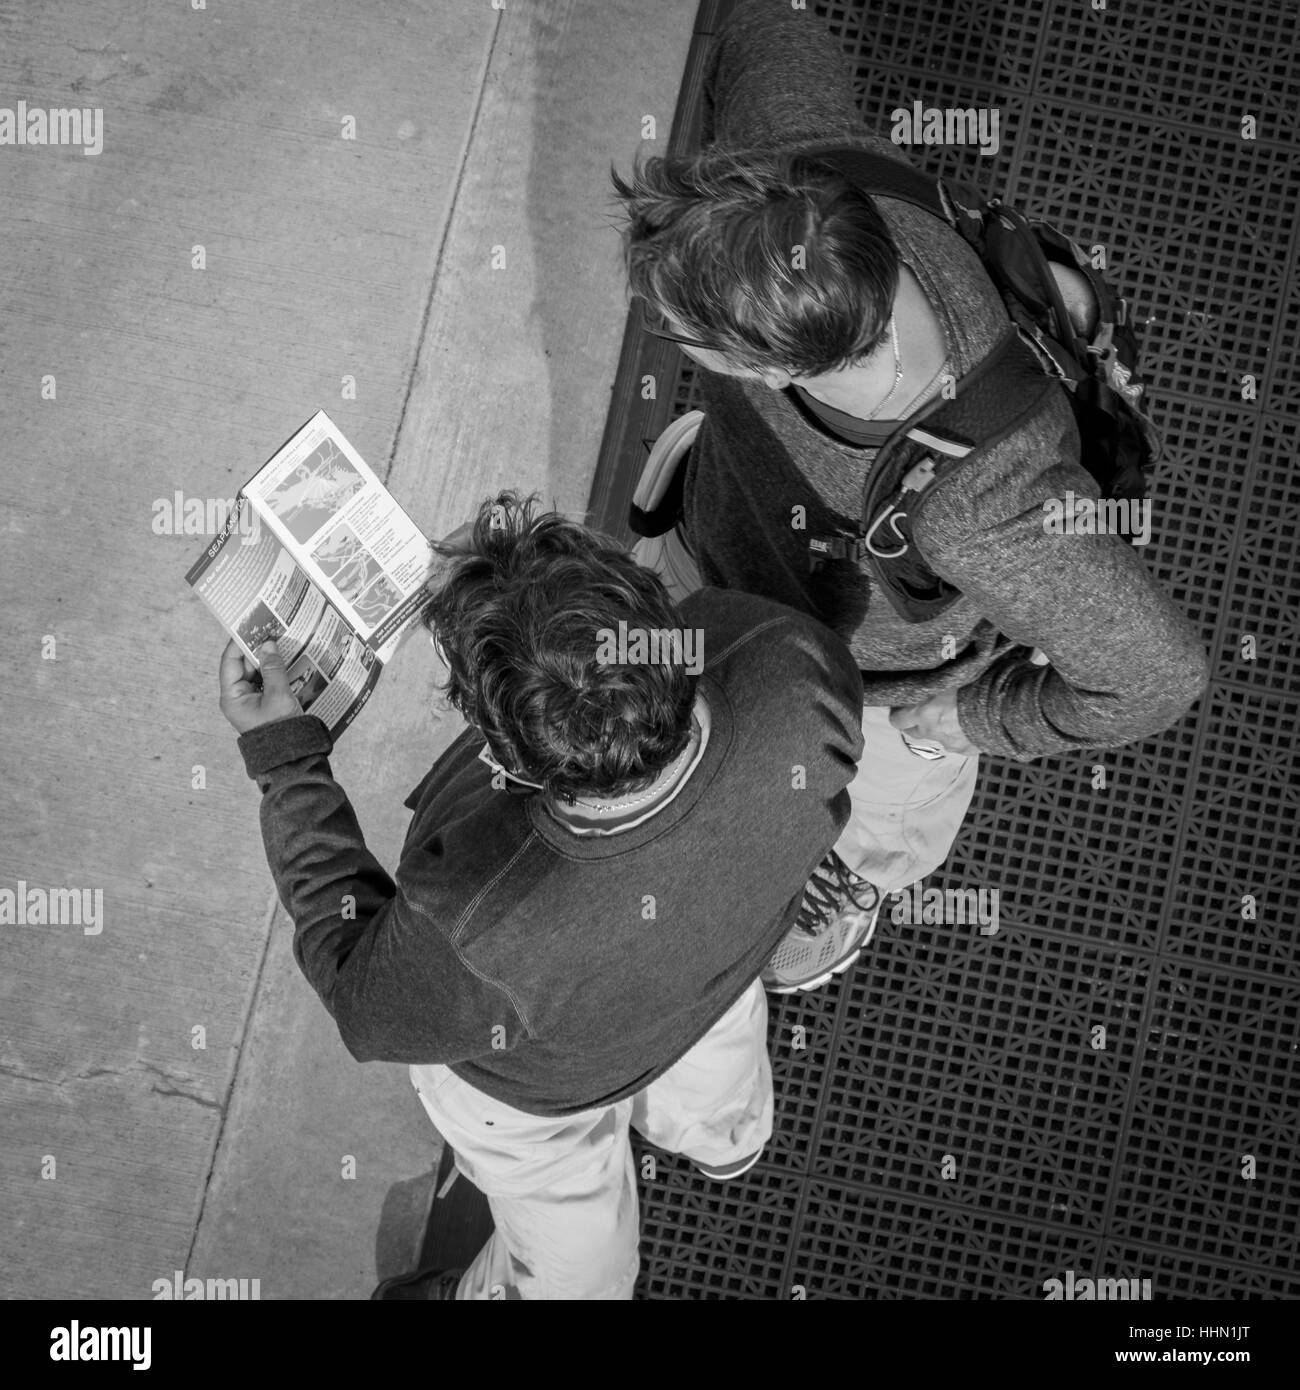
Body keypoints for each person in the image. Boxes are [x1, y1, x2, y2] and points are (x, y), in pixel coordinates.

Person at [610, 0, 1208, 992]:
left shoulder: (984, 502)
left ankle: (849, 891)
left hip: (877, 697)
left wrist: (976, 719)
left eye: (680, 336)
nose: (667, 339)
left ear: (769, 368)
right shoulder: (802, 181)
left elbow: (1157, 676)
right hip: (721, 548)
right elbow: (775, 33)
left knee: (872, 820)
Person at [217, 492, 865, 1300]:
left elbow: (364, 1002)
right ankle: (724, 1140)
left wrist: (287, 760)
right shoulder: (789, 662)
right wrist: (529, 583)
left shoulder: (475, 913)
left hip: (538, 1101)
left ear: (515, 765)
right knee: (719, 1072)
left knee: (578, 1271)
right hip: (712, 985)